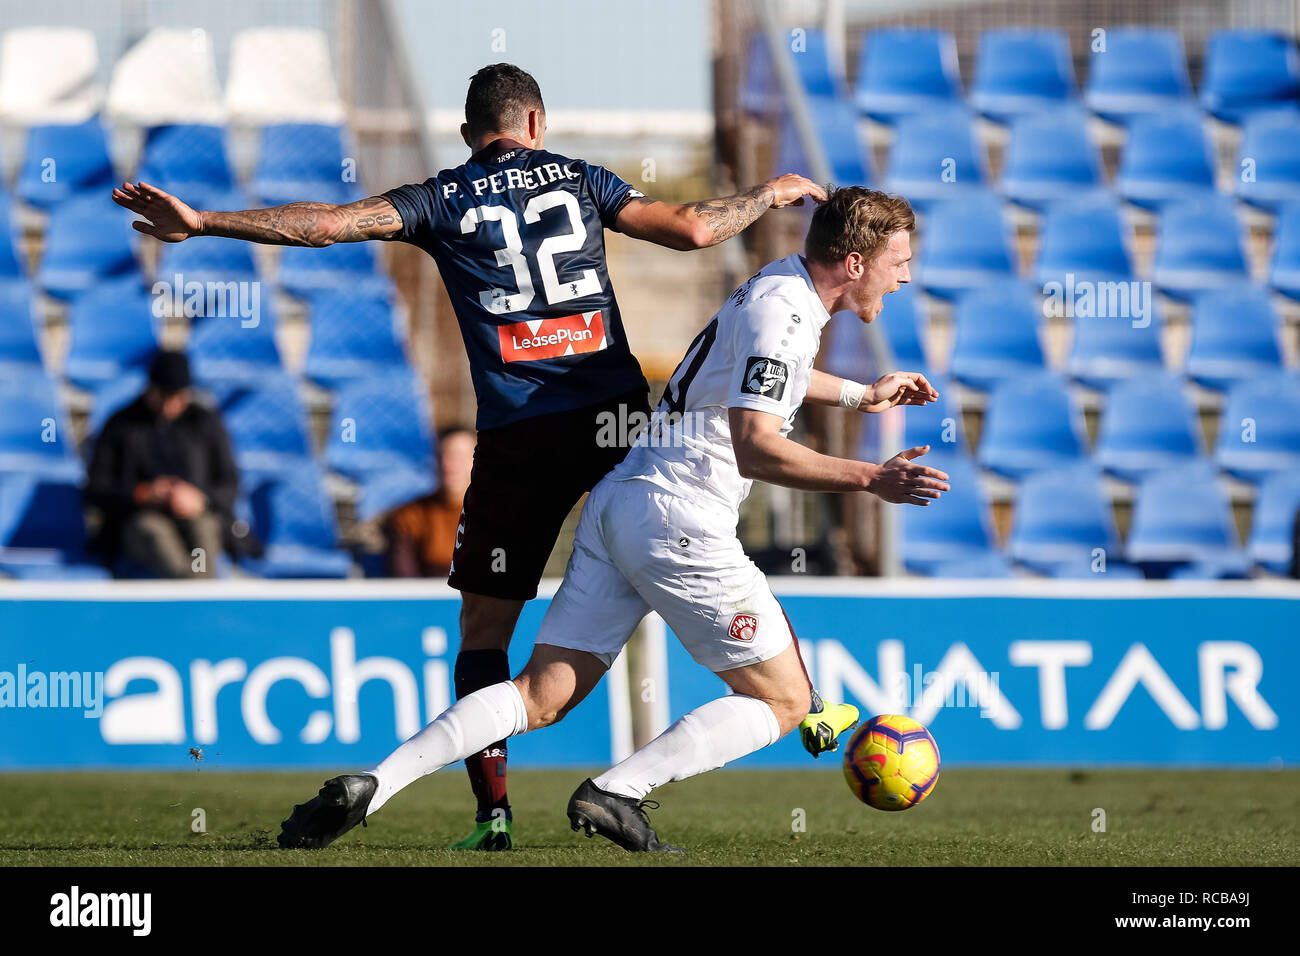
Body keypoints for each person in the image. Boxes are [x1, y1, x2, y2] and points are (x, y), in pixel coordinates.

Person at [114, 62, 832, 850]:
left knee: (485, 633)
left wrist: (205, 221)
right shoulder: (582, 179)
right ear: (537, 122)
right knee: (692, 526)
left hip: (519, 437)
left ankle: (491, 817)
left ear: (468, 133)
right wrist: (766, 195)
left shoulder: (441, 197)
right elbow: (695, 228)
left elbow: (323, 224)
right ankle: (793, 697)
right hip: (614, 422)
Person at [274, 186, 950, 853]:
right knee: (786, 705)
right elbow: (756, 446)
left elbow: (751, 374)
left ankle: (374, 784)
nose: (907, 274)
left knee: (539, 695)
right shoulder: (788, 315)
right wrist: (873, 478)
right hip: (684, 521)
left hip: (622, 502)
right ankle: (617, 792)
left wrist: (862, 394)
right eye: (900, 261)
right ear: (856, 262)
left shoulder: (778, 286)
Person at [86, 350, 238, 579]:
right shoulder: (120, 424)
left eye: (177, 398)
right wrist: (142, 494)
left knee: (203, 533)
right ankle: (191, 598)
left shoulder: (206, 423)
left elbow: (230, 483)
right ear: (150, 388)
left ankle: (198, 597)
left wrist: (200, 498)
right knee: (157, 535)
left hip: (196, 517)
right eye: (163, 396)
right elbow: (95, 489)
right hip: (138, 519)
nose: (169, 406)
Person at [386, 426, 476, 578]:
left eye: (459, 457)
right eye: (443, 456)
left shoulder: (497, 516)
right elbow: (403, 581)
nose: (449, 465)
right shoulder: (410, 516)